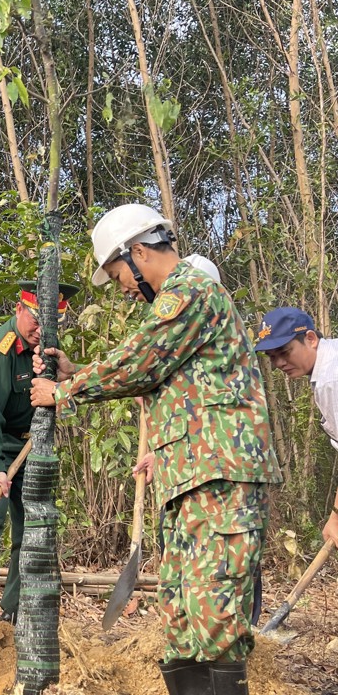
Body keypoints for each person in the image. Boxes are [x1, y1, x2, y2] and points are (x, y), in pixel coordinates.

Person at [29, 204, 281, 695]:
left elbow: (142, 360)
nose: (122, 287)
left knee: (215, 620)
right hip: (190, 482)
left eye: (119, 273)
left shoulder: (190, 291)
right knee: (183, 621)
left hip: (220, 480)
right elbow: (159, 373)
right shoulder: (181, 306)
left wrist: (64, 392)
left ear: (139, 253)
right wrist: (73, 373)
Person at [0, 280, 78, 630]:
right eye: (35, 320)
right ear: (19, 310)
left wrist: (64, 383)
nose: (41, 330)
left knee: (29, 524)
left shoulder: (48, 351)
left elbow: (63, 399)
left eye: (51, 322)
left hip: (32, 443)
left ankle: (14, 609)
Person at [254, 307, 338, 546]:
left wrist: (335, 517)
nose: (279, 363)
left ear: (310, 339)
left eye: (285, 352)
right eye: (271, 356)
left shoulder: (331, 378)